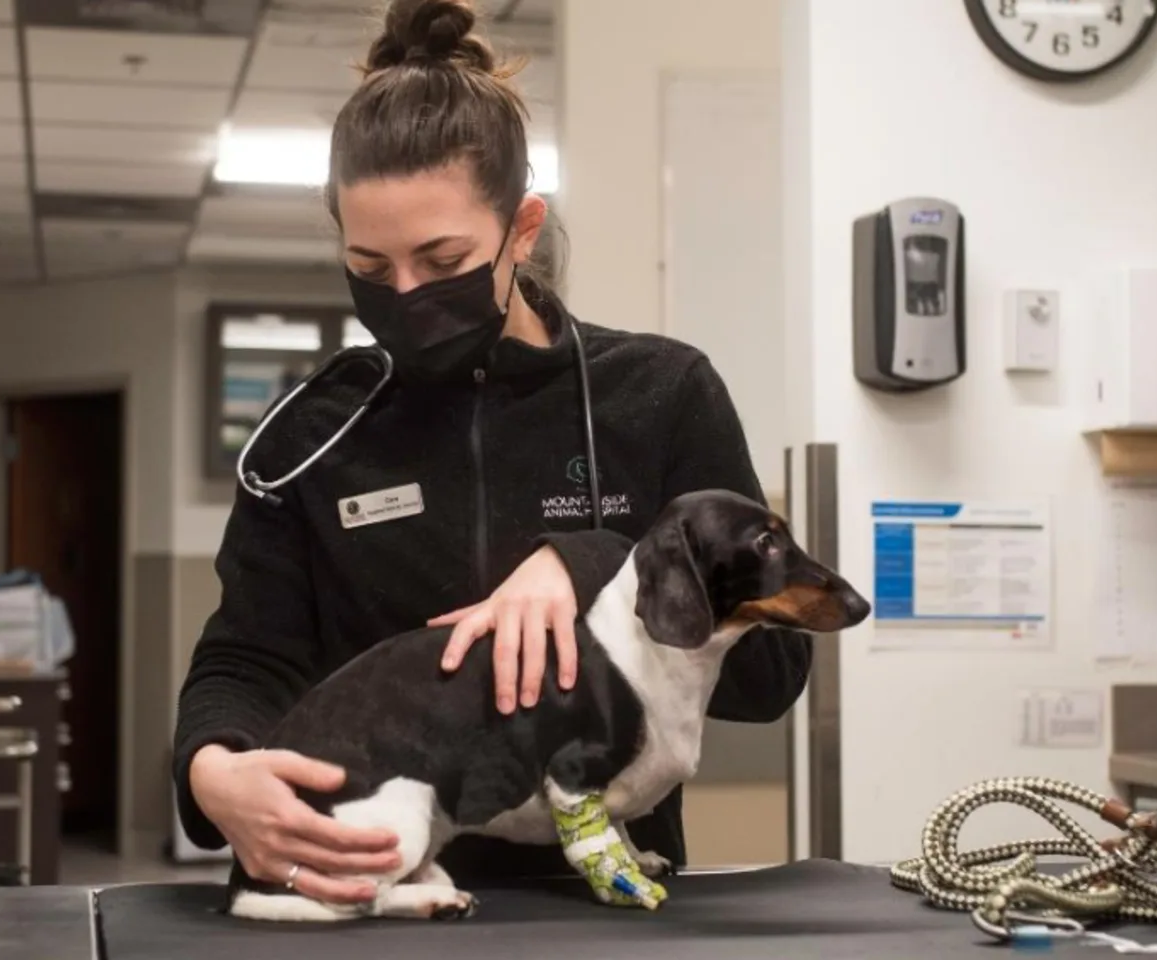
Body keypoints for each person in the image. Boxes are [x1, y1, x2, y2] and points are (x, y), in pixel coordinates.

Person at [174, 0, 811, 908]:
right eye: (369, 267)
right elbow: (246, 659)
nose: (404, 293)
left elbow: (770, 677)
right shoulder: (316, 435)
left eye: (442, 260)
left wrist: (594, 564)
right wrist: (213, 770)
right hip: (370, 890)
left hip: (602, 902)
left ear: (522, 229)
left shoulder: (659, 395)